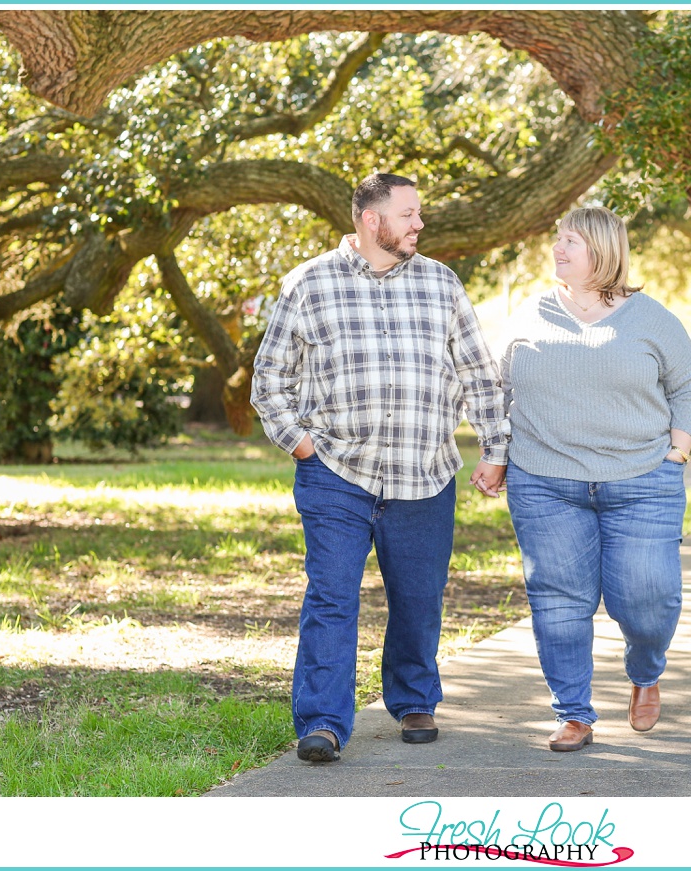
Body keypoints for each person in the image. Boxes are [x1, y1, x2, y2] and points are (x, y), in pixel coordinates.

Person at [251, 172, 508, 763]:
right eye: (410, 213)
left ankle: (415, 697)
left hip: (425, 471)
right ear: (372, 219)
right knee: (332, 596)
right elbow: (270, 380)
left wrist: (496, 447)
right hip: (336, 472)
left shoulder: (442, 284)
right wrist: (301, 445)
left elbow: (477, 372)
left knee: (419, 596)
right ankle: (322, 722)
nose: (420, 223)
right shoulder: (309, 283)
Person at [499, 206, 691, 752]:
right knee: (559, 601)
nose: (558, 250)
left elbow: (688, 384)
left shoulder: (650, 318)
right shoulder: (528, 314)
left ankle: (645, 671)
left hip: (643, 479)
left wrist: (678, 449)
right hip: (544, 481)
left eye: (571, 242)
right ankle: (574, 714)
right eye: (557, 240)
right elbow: (495, 390)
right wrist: (495, 453)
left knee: (648, 598)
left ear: (604, 250)